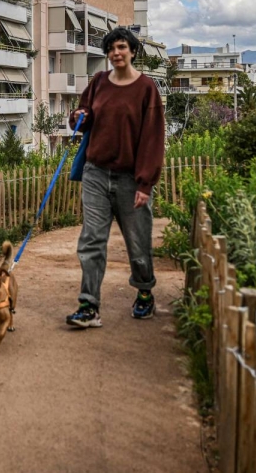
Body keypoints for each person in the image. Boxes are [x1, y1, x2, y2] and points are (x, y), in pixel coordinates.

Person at [65, 27, 165, 328]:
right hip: (96, 173)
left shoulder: (146, 88)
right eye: (111, 49)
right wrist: (78, 117)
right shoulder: (98, 83)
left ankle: (145, 293)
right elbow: (82, 117)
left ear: (132, 51)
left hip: (131, 178)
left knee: (138, 244)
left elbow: (153, 137)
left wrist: (145, 182)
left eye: (121, 47)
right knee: (92, 239)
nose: (116, 53)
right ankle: (88, 306)